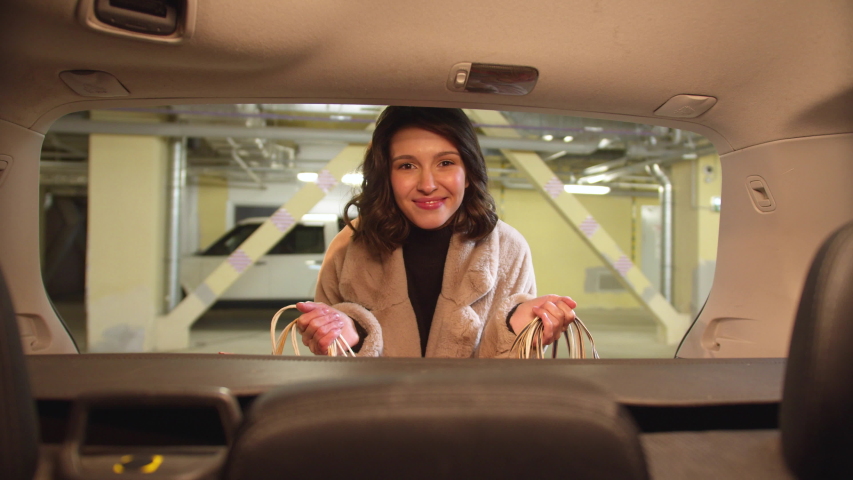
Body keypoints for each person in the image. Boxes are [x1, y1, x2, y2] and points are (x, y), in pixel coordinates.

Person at [295, 106, 577, 357]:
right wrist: (345, 336)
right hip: (377, 411)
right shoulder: (349, 246)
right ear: (387, 177)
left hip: (474, 413)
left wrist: (518, 324)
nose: (427, 184)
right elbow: (333, 362)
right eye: (407, 166)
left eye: (445, 163)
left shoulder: (509, 247)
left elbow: (510, 370)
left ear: (468, 173)